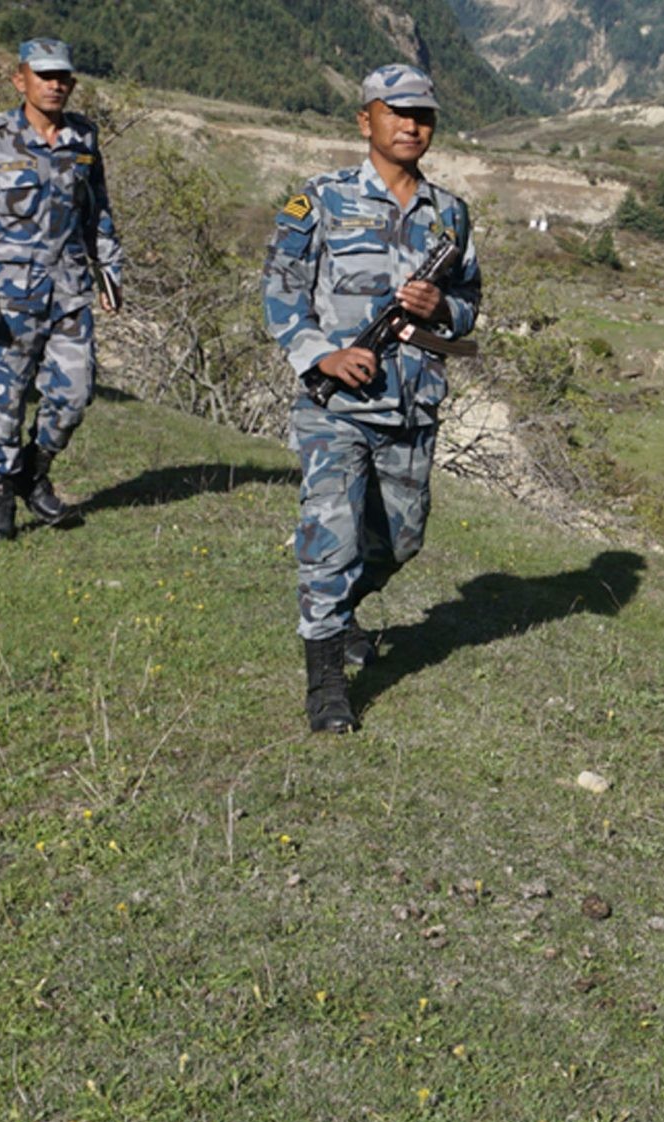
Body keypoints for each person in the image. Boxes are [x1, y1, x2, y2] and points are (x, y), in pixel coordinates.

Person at [263, 65, 480, 734]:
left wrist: (443, 305)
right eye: (398, 113)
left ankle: (338, 612)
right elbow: (280, 292)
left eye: (425, 116)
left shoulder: (450, 213)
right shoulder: (320, 200)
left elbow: (470, 309)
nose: (413, 126)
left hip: (414, 406)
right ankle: (327, 682)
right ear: (367, 121)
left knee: (400, 541)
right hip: (337, 409)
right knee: (332, 539)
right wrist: (320, 355)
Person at [0, 38, 123, 541]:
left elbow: (98, 211)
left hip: (69, 290)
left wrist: (110, 271)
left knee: (74, 393)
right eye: (43, 75)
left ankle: (33, 472)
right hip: (8, 294)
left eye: (63, 76)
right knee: (5, 397)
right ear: (20, 79)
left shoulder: (83, 137)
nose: (54, 85)